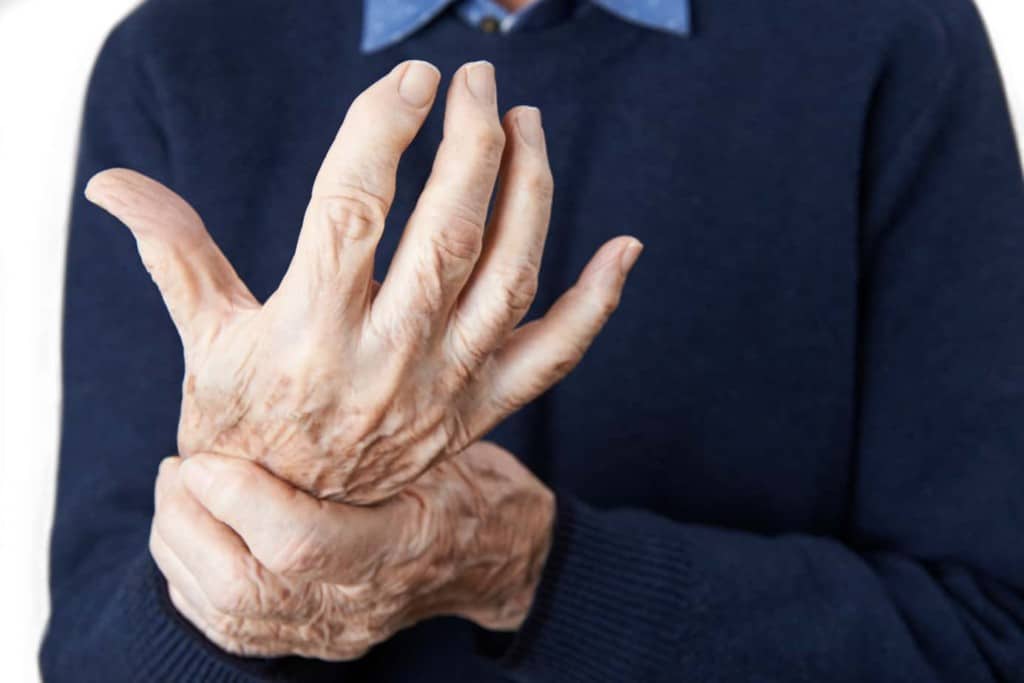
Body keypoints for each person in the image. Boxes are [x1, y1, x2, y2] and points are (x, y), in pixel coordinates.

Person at [40, 0, 1024, 680]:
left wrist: (530, 567)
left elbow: (990, 636)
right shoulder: (177, 56)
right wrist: (237, 573)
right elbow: (93, 654)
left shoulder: (889, 38)